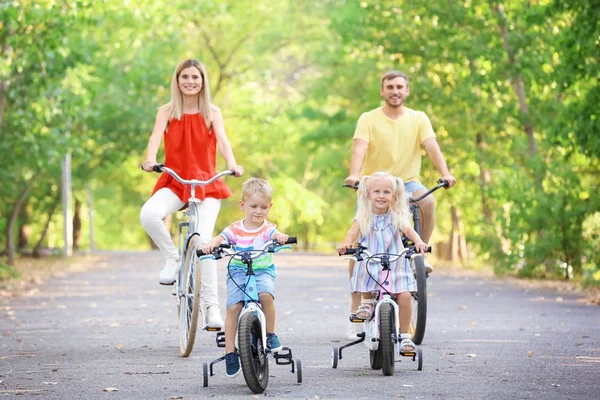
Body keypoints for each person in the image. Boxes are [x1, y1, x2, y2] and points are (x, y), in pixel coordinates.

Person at [343, 70, 456, 338]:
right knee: (358, 246)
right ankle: (356, 308)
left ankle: (419, 253)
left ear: (407, 91)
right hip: (374, 184)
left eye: (400, 87)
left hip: (406, 183)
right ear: (382, 91)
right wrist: (355, 175)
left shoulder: (418, 118)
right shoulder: (369, 118)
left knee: (427, 200)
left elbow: (431, 146)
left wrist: (445, 172)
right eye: (390, 86)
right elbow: (359, 147)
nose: (395, 91)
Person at [140, 59, 244, 329]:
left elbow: (223, 141)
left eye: (195, 77)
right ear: (177, 80)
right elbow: (154, 139)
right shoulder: (166, 111)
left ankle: (211, 307)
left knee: (204, 242)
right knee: (149, 214)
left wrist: (232, 165)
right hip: (175, 181)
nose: (190, 81)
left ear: (203, 81)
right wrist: (150, 159)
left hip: (206, 183)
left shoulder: (212, 112)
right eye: (184, 76)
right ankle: (173, 258)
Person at [203, 178, 289, 378]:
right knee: (233, 308)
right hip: (238, 271)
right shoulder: (235, 228)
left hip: (262, 270)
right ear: (242, 205)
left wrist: (281, 237)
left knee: (266, 295)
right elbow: (222, 238)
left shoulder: (267, 228)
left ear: (269, 207)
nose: (258, 211)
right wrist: (212, 243)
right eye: (253, 206)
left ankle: (270, 333)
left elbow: (275, 234)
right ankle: (230, 352)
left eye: (263, 207)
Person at [337, 172, 428, 354]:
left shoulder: (396, 216)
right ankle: (367, 302)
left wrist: (418, 242)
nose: (381, 196)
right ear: (368, 194)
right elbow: (352, 233)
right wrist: (346, 244)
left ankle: (404, 337)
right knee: (362, 268)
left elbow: (409, 230)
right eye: (376, 191)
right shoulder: (364, 216)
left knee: (404, 296)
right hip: (371, 259)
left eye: (386, 192)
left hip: (394, 262)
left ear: (393, 197)